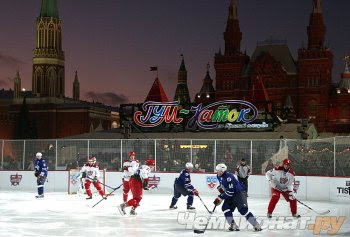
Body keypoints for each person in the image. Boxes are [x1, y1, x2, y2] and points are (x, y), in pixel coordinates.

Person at [214, 163, 261, 231]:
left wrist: (220, 197)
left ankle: (256, 224)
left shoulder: (229, 177)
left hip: (239, 193)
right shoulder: (218, 176)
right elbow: (224, 186)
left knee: (243, 210)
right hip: (231, 194)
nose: (216, 171)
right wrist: (221, 188)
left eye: (218, 170)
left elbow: (230, 192)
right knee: (225, 207)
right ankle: (233, 225)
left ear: (222, 171)